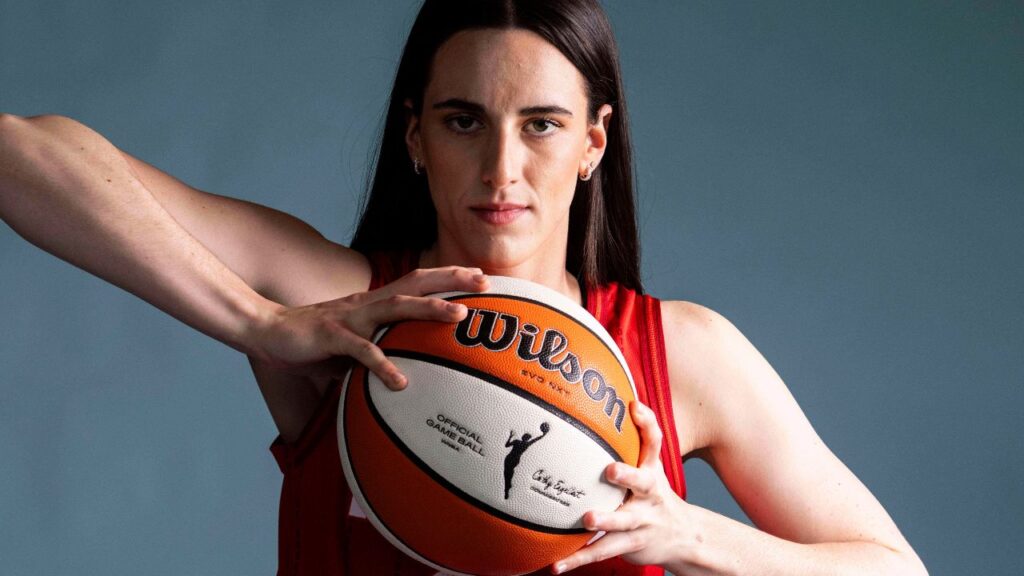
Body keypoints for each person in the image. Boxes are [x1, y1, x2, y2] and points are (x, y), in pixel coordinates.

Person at [0, 0, 928, 574]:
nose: (501, 168)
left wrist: (690, 536)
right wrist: (260, 320)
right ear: (416, 137)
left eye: (542, 125)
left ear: (593, 144)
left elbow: (892, 568)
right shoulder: (344, 310)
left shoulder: (678, 354)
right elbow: (19, 155)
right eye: (463, 120)